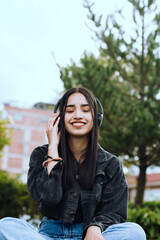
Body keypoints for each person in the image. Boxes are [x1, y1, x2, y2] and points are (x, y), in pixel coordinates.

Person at [0, 87, 146, 240]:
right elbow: (50, 197)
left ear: (96, 117)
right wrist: (53, 148)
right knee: (5, 225)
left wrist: (96, 227)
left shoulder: (112, 164)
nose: (77, 115)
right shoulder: (40, 155)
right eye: (70, 111)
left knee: (135, 232)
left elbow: (115, 211)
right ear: (59, 118)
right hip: (48, 236)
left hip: (90, 236)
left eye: (85, 110)